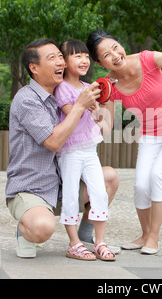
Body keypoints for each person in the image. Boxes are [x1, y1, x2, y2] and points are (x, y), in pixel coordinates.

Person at [86, 30, 162, 255]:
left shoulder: (147, 59)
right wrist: (92, 109)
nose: (115, 55)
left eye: (115, 47)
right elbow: (107, 124)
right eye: (106, 55)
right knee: (140, 184)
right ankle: (144, 233)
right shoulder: (108, 85)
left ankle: (154, 237)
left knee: (158, 174)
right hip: (150, 130)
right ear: (100, 63)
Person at [5, 38, 119, 258]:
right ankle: (25, 230)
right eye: (52, 58)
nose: (60, 62)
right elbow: (54, 142)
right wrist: (80, 105)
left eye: (60, 56)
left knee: (109, 178)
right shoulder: (27, 100)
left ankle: (86, 236)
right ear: (34, 68)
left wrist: (108, 98)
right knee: (42, 228)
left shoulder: (64, 92)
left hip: (62, 183)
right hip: (32, 189)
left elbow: (104, 127)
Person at [54, 39, 115, 261]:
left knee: (100, 192)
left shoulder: (87, 88)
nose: (83, 60)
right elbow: (72, 112)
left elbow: (100, 120)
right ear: (64, 61)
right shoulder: (62, 88)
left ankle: (99, 242)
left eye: (86, 56)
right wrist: (87, 103)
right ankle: (74, 244)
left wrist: (103, 102)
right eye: (77, 56)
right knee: (71, 195)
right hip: (69, 152)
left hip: (90, 150)